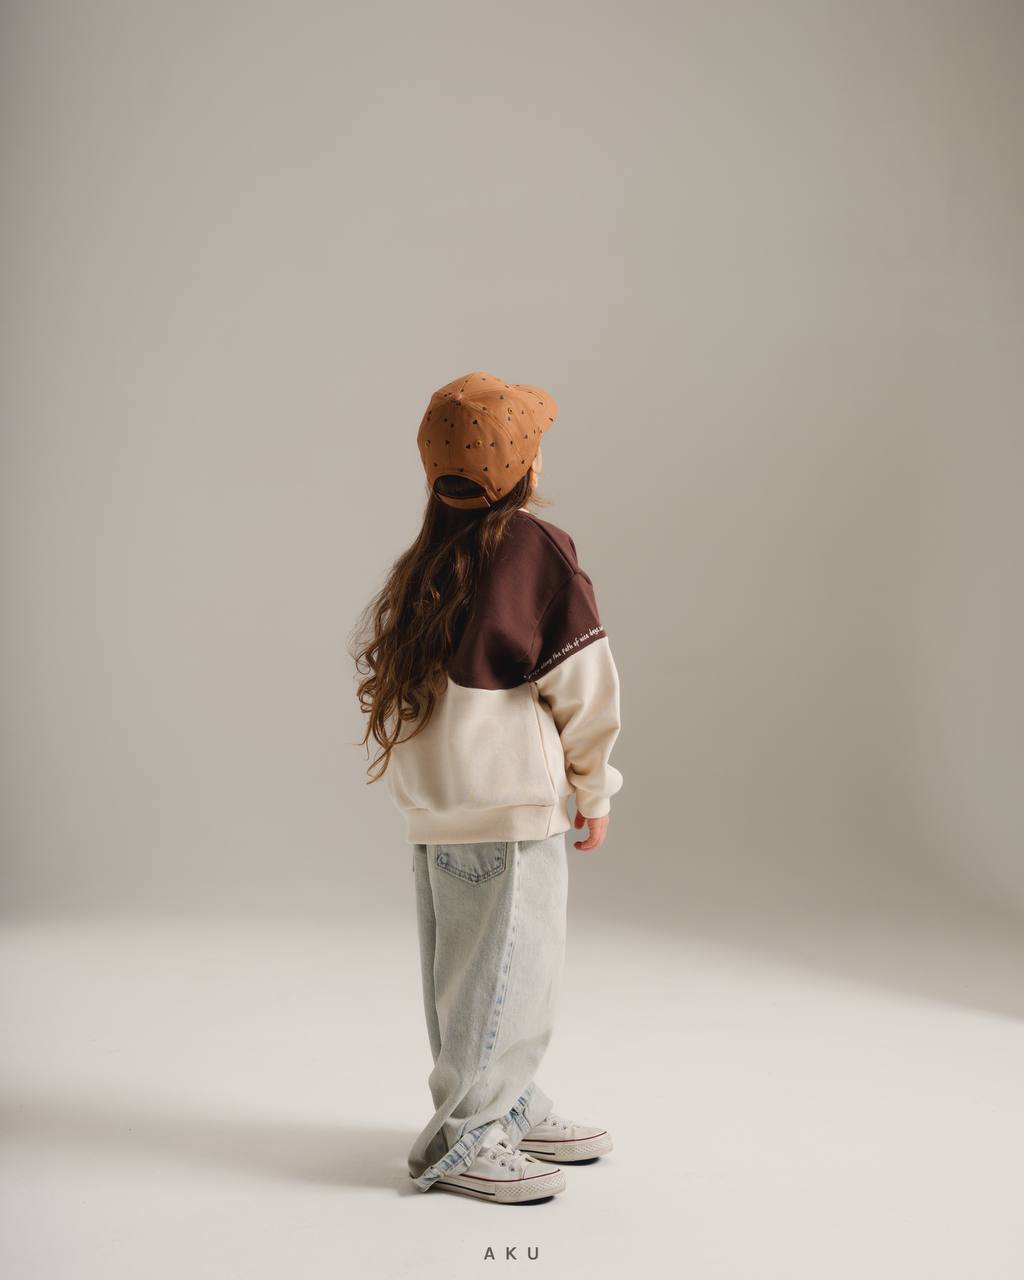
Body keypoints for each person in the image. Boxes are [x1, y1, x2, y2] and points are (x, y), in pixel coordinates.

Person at [349, 371, 623, 1204]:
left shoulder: (426, 561)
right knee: (512, 974)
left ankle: (509, 1102)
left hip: (440, 813)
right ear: (525, 469)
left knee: (468, 978)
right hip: (508, 812)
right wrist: (595, 788)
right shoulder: (536, 551)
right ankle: (464, 1137)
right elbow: (585, 687)